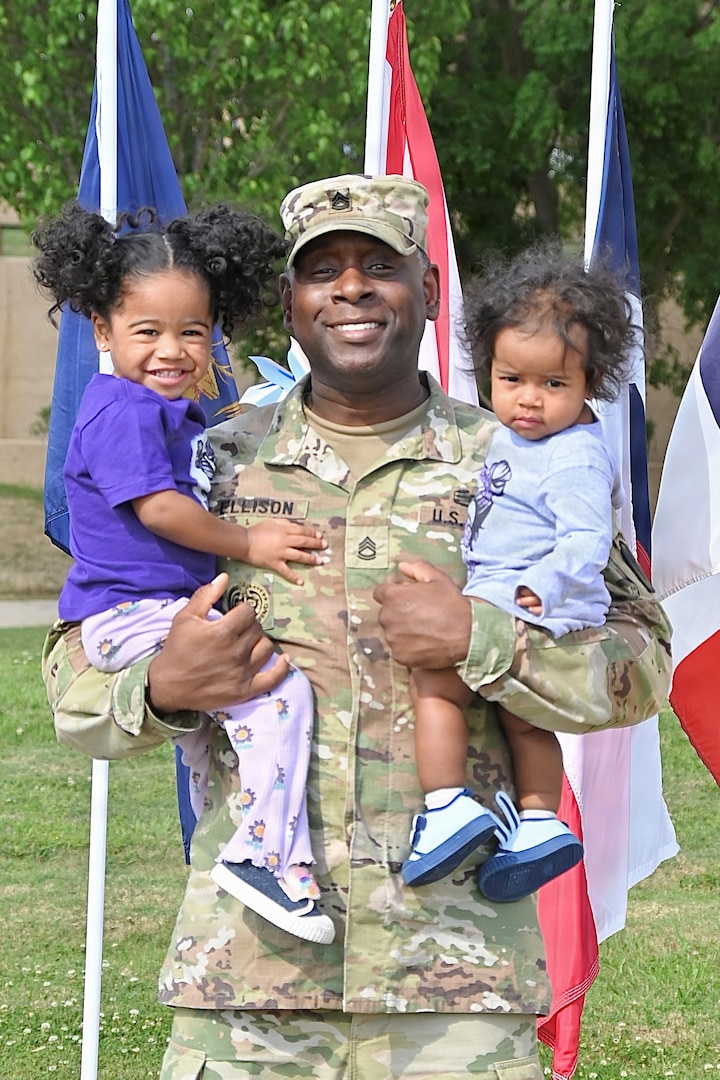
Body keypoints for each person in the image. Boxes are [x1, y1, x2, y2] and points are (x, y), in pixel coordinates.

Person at [42, 174, 671, 1080]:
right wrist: (163, 687)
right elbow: (76, 673)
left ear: (429, 289)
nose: (350, 287)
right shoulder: (206, 463)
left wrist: (481, 640)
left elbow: (642, 661)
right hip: (246, 992)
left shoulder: (519, 457)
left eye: (380, 265)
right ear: (290, 306)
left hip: (456, 993)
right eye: (322, 269)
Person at [33, 202, 334, 944]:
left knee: (208, 739)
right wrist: (251, 543)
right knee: (276, 693)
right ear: (101, 331)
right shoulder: (125, 412)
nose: (172, 350)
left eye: (192, 332)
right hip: (130, 612)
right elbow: (163, 513)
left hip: (155, 608)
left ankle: (228, 840)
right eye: (147, 331)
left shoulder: (175, 415)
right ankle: (267, 855)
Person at [400, 244, 631, 903]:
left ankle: (447, 806)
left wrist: (543, 588)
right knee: (523, 718)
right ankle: (536, 823)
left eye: (553, 385)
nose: (529, 400)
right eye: (512, 381)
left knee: (437, 679)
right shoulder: (517, 437)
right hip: (515, 587)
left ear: (591, 383)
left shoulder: (575, 456)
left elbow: (587, 540)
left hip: (531, 592)